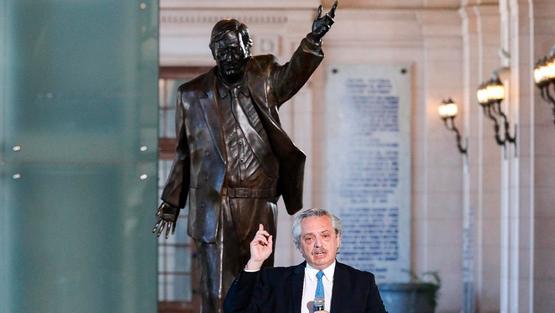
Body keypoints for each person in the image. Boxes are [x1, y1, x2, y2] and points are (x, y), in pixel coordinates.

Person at [152, 2, 339, 313]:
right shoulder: (191, 95)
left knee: (259, 283)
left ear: (247, 47)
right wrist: (172, 202)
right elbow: (185, 153)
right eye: (221, 50)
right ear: (212, 51)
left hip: (258, 201)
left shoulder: (263, 75)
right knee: (219, 289)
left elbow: (293, 75)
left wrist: (313, 40)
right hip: (215, 204)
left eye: (234, 49)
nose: (228, 57)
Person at [223, 208, 388, 313]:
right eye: (309, 238)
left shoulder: (362, 283)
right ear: (299, 246)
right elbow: (234, 310)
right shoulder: (275, 281)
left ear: (337, 239)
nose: (318, 244)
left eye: (325, 236)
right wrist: (255, 262)